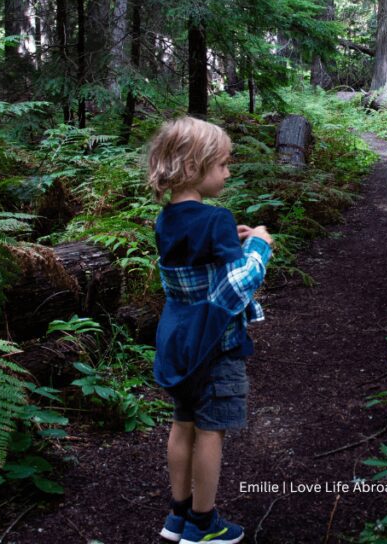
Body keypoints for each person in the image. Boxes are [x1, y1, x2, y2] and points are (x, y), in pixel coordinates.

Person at [146, 116, 272, 544]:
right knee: (210, 430)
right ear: (196, 166)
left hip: (178, 340)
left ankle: (177, 516)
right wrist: (258, 245)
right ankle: (204, 525)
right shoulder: (216, 219)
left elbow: (196, 267)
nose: (228, 172)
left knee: (182, 423)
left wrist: (230, 242)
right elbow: (238, 283)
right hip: (215, 346)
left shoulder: (166, 219)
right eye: (222, 165)